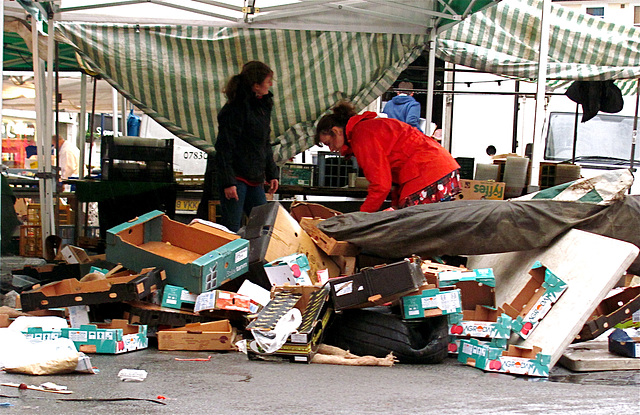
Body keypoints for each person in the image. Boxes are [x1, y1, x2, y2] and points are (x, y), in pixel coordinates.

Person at [315, 100, 460, 213]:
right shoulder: (369, 128)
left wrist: (361, 217)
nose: (332, 149)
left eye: (329, 143)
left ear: (336, 131)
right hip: (441, 169)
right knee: (427, 230)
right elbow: (391, 179)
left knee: (415, 233)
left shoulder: (362, 134)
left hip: (427, 173)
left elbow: (380, 186)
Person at [198, 61, 279, 232]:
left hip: (255, 178)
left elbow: (265, 143)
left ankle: (259, 258)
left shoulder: (263, 107)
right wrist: (228, 182)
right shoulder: (234, 110)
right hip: (236, 178)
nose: (270, 84)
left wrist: (272, 173)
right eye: (267, 81)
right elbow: (224, 147)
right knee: (231, 227)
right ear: (256, 86)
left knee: (263, 226)